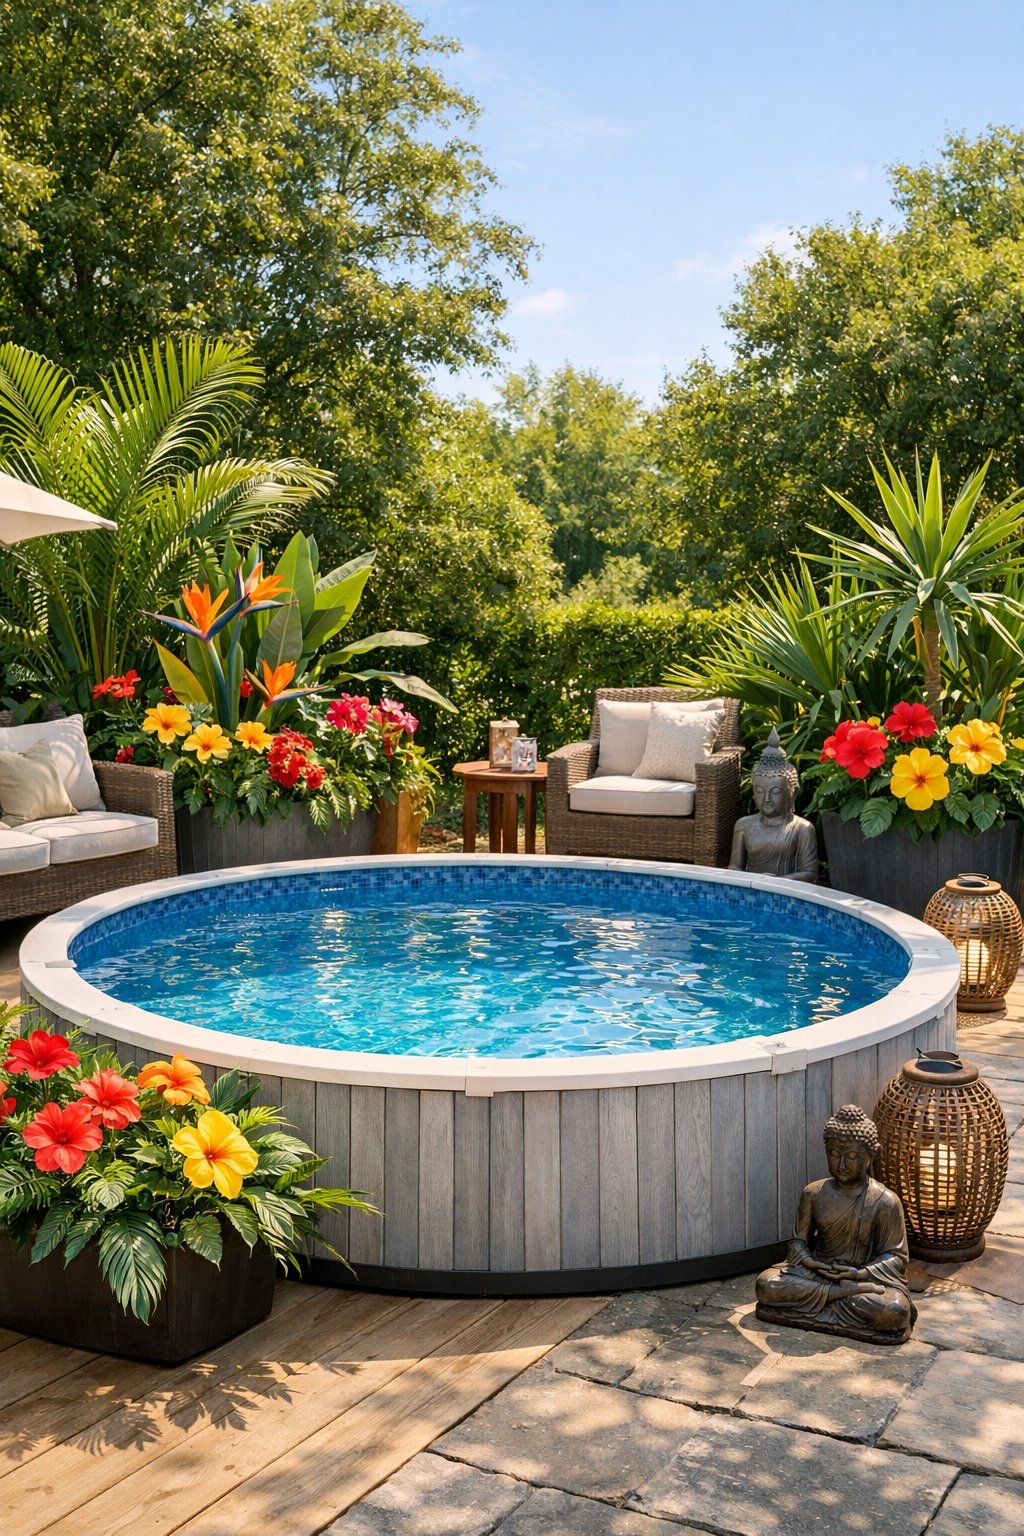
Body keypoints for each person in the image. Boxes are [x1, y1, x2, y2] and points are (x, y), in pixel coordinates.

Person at [755, 1104, 916, 1344]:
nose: (841, 1164)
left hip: (863, 1280)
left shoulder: (886, 1202)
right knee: (766, 1285)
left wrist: (859, 1273)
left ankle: (833, 1298)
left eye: (851, 1156)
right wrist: (812, 1263)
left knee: (895, 1310)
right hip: (819, 1273)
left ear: (870, 1156)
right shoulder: (814, 1193)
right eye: (833, 1153)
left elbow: (896, 1258)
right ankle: (837, 1295)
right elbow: (798, 1243)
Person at [729, 727, 818, 881]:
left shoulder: (802, 829)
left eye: (775, 791)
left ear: (793, 793)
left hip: (785, 894)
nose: (767, 798)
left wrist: (776, 883)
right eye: (760, 791)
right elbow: (735, 867)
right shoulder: (743, 826)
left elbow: (810, 873)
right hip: (751, 891)